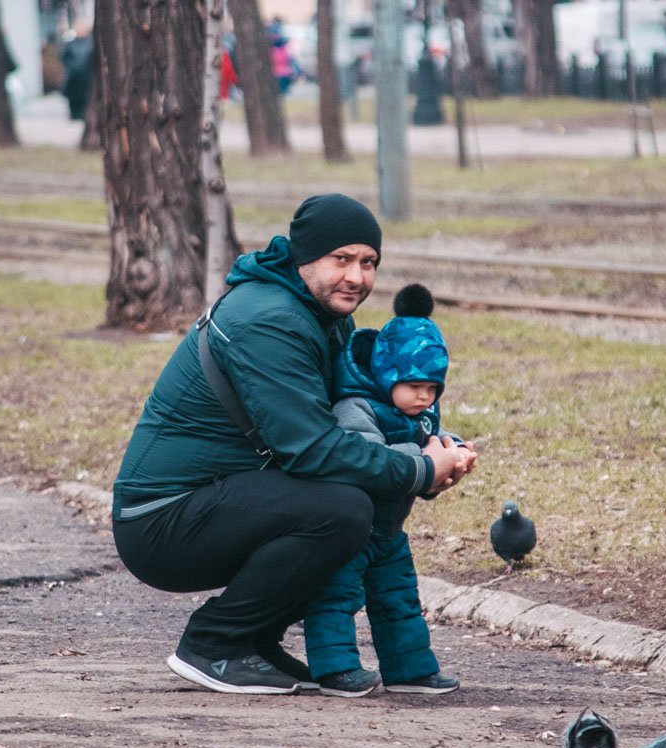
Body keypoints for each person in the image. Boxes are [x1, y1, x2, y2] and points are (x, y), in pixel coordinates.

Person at [112, 194, 477, 695]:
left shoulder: (319, 314)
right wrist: (418, 471)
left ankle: (256, 641)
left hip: (217, 499)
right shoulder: (269, 321)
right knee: (343, 509)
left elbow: (360, 428)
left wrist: (432, 455)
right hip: (159, 520)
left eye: (368, 262)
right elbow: (315, 450)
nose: (356, 277)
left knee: (348, 498)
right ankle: (214, 643)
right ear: (305, 257)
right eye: (341, 259)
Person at [301, 284, 464, 698]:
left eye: (433, 388)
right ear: (388, 374)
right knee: (337, 598)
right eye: (414, 386)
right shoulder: (356, 407)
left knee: (400, 600)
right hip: (351, 528)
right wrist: (426, 458)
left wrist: (452, 451)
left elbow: (431, 440)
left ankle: (409, 669)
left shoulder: (417, 412)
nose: (424, 397)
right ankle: (335, 668)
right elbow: (366, 458)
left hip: (389, 531)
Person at [60, 22, 93, 121]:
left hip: (86, 75)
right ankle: (75, 114)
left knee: (85, 95)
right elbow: (64, 58)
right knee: (74, 97)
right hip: (73, 76)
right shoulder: (71, 44)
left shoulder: (90, 43)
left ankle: (82, 114)